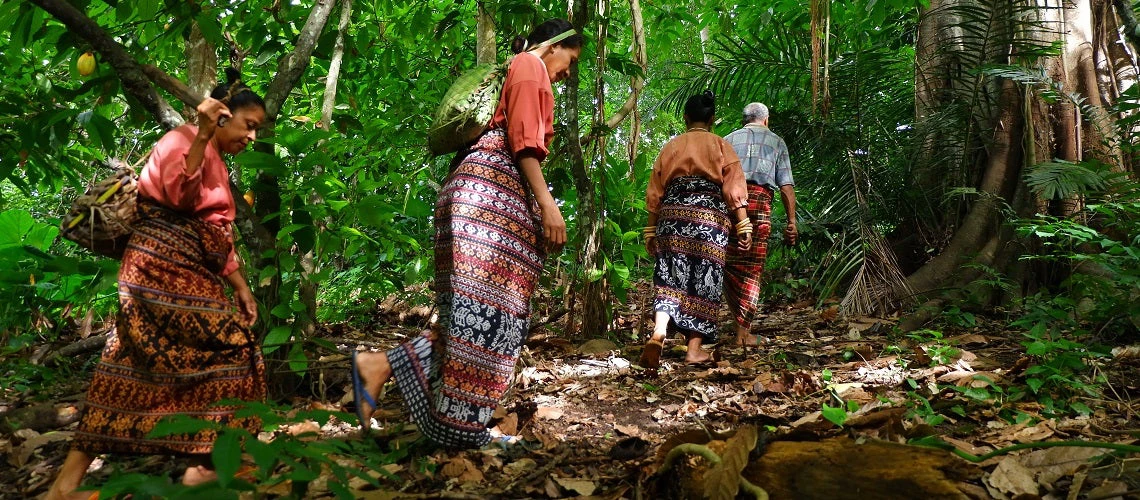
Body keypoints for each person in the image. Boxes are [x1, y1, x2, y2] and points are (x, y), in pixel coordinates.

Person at [350, 19, 582, 449]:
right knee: (491, 315)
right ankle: (459, 428)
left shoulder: (517, 69)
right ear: (555, 47)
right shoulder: (530, 66)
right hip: (490, 195)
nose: (569, 72)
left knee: (474, 315)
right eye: (571, 59)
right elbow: (525, 144)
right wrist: (548, 206)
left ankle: (383, 370)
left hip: (473, 192)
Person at [47, 69, 267, 500]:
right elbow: (178, 196)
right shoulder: (182, 141)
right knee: (233, 347)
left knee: (127, 367)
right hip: (161, 268)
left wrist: (240, 285)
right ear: (223, 117)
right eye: (249, 126)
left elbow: (217, 231)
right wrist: (202, 133)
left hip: (185, 268)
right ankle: (208, 463)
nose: (252, 137)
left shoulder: (216, 159)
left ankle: (66, 486)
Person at [639, 91, 752, 372]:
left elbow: (656, 191)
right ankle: (694, 350)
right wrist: (743, 224)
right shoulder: (721, 146)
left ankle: (660, 331)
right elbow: (733, 189)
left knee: (669, 277)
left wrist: (651, 230)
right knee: (705, 280)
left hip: (672, 217)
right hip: (709, 220)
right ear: (712, 119)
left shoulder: (670, 147)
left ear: (686, 118)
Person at [723, 103, 798, 346]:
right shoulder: (777, 142)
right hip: (759, 204)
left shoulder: (726, 140)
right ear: (766, 120)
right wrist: (791, 221)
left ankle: (734, 325)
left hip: (728, 205)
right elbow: (786, 186)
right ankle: (743, 333)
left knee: (728, 263)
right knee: (753, 267)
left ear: (744, 120)